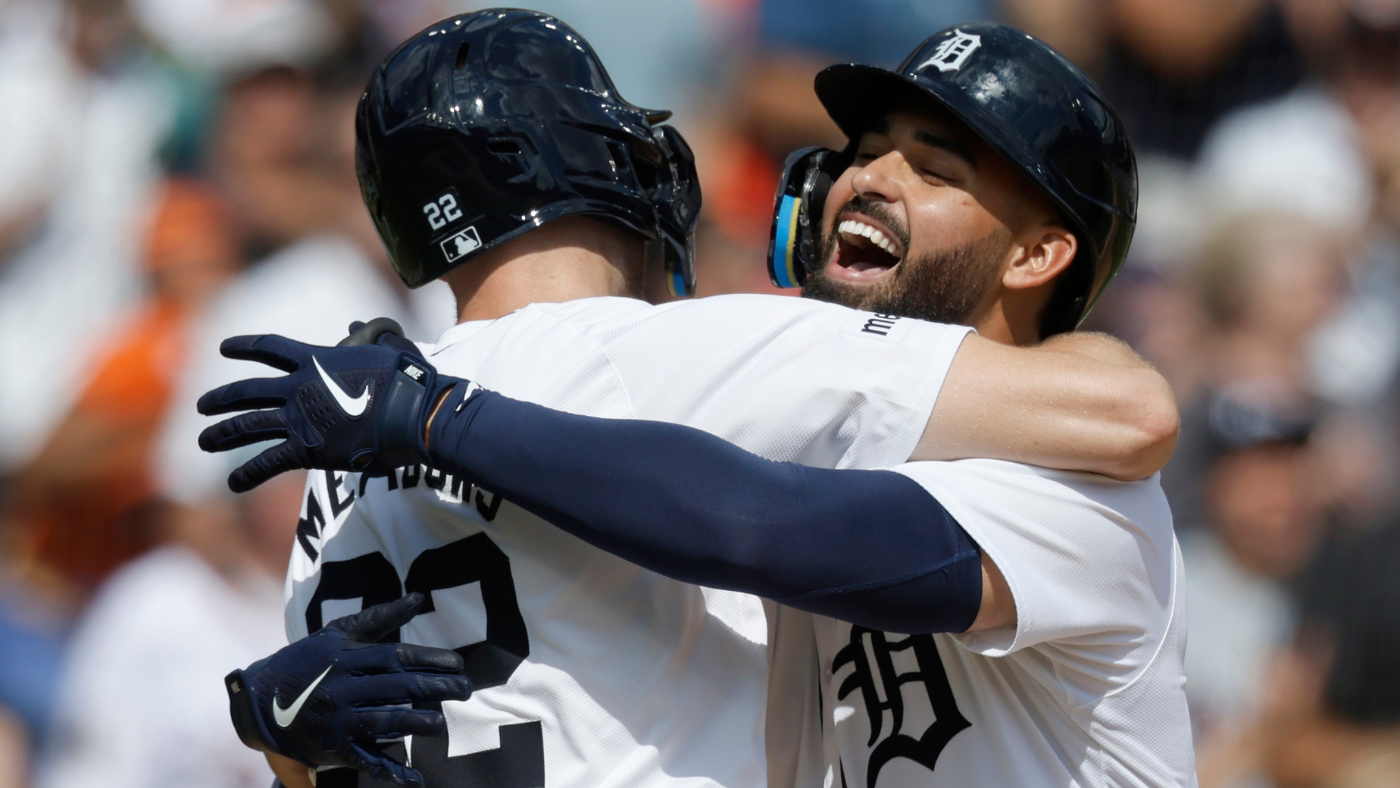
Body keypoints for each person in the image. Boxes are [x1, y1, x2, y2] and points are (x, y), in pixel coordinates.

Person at [200, 14, 1180, 788]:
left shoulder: (1077, 498)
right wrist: (283, 741)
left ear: (1037, 254)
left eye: (931, 168)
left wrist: (439, 419)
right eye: (862, 150)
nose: (861, 177)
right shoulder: (715, 411)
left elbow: (763, 524)